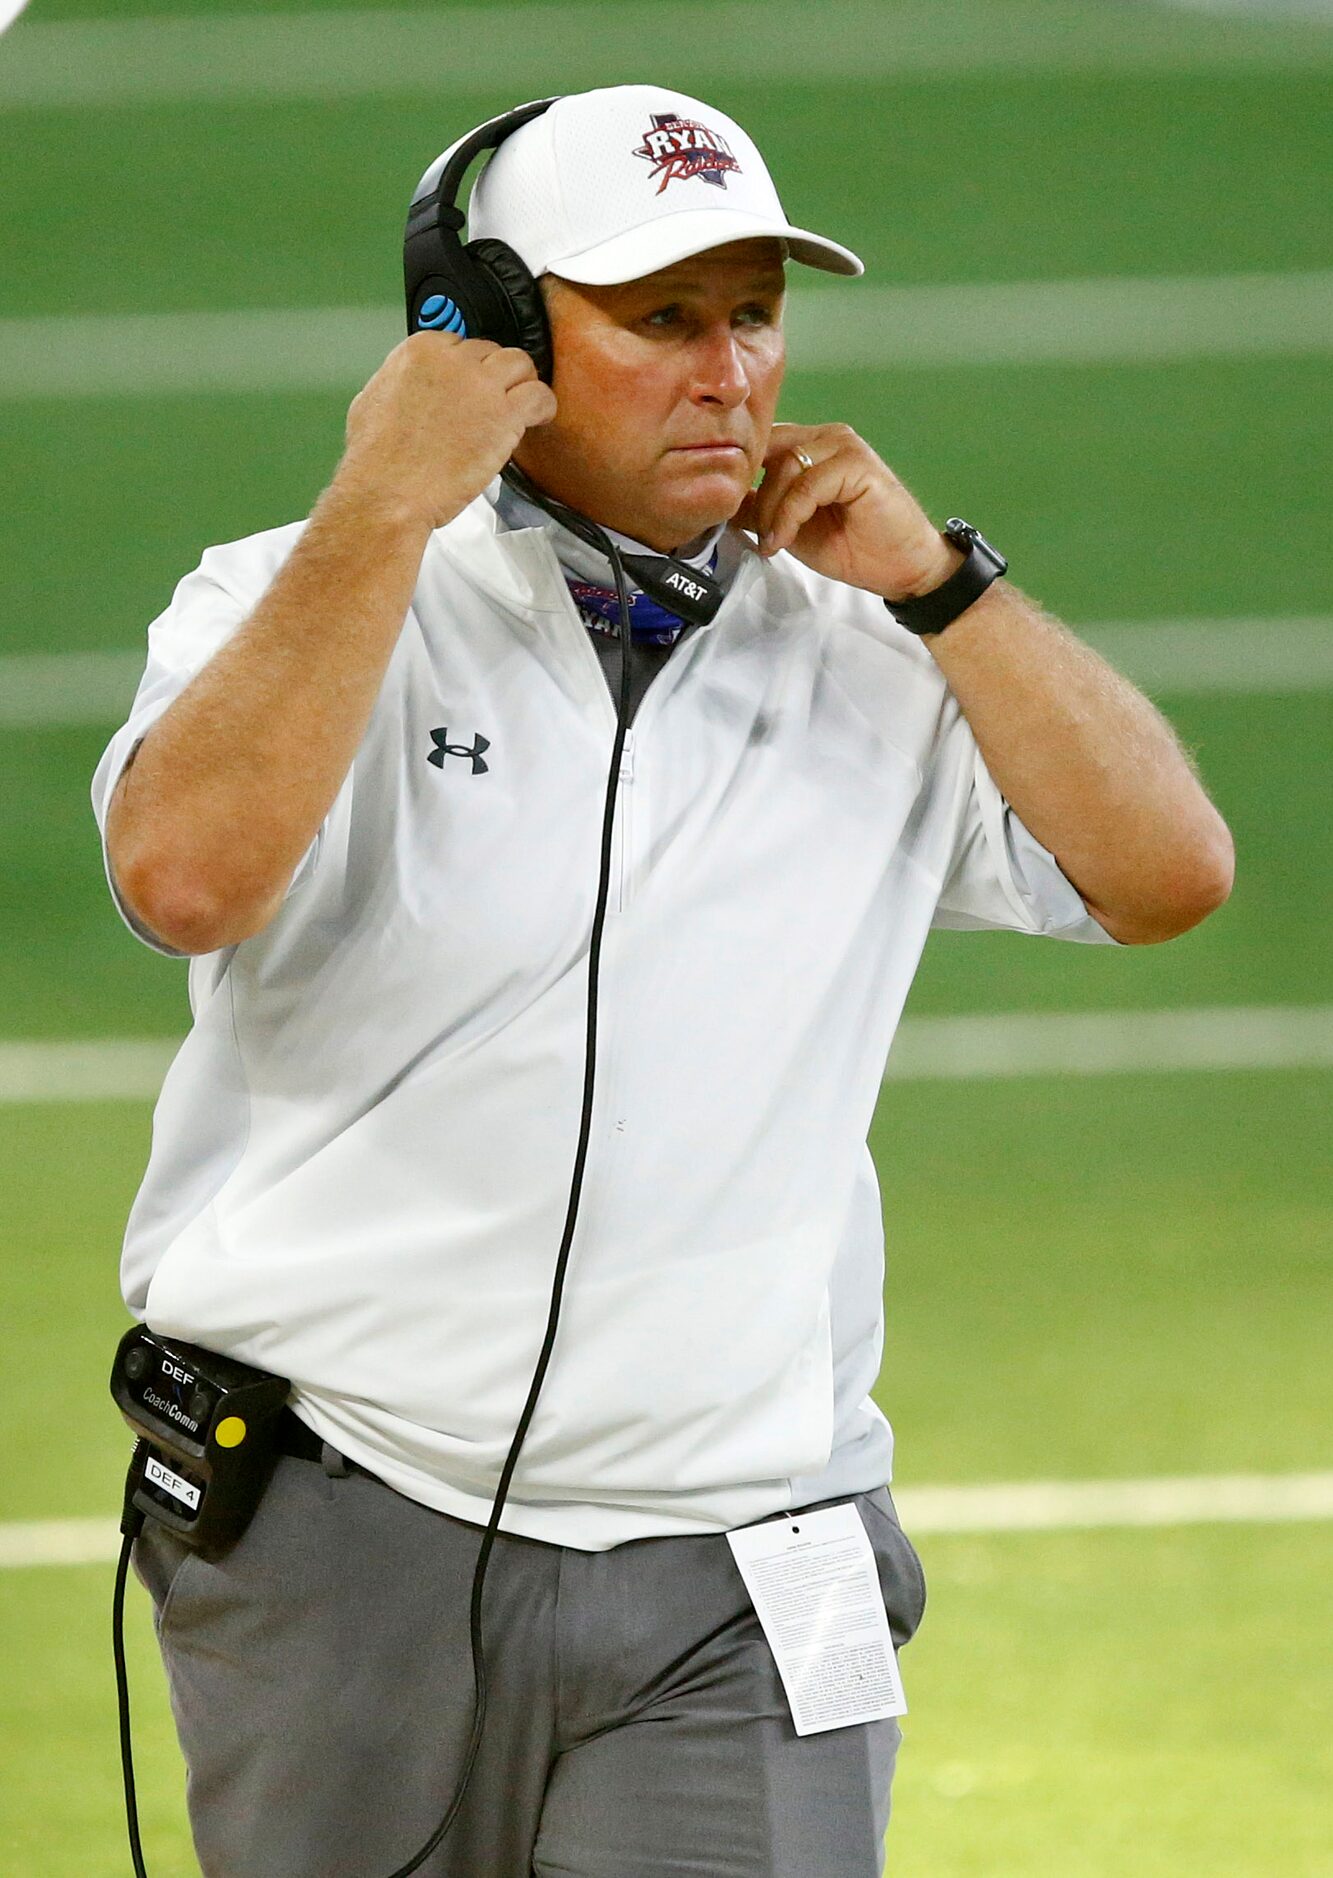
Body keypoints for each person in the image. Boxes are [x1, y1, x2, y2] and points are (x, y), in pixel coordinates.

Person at [92, 84, 1233, 1878]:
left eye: (752, 315)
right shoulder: (291, 600)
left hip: (751, 1545)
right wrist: (380, 509)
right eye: (659, 319)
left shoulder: (876, 638)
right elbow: (183, 876)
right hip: (355, 1520)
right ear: (489, 338)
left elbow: (1169, 875)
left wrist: (943, 588)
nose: (729, 373)